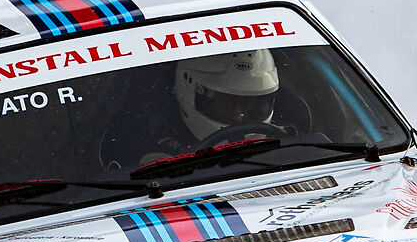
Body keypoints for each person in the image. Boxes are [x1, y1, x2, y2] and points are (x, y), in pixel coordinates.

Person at [100, 49, 288, 172]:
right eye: (228, 103)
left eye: (252, 104)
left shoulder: (295, 143)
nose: (240, 115)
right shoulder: (158, 157)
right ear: (188, 90)